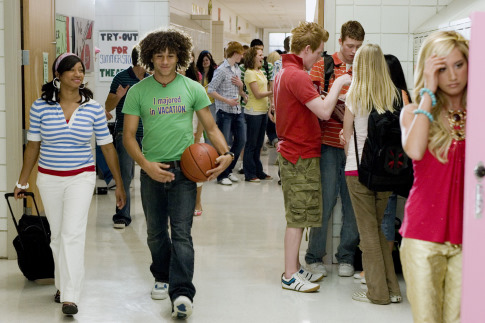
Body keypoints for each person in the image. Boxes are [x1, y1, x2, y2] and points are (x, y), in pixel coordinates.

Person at [122, 28, 233, 319]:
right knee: (156, 233)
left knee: (182, 233)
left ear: (180, 57)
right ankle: (161, 274)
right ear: (149, 57)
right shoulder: (138, 92)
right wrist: (146, 165)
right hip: (152, 171)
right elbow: (129, 136)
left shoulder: (192, 87)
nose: (165, 61)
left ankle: (182, 292)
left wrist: (227, 154)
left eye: (171, 55)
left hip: (184, 172)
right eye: (159, 55)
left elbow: (210, 128)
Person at [14, 53, 126, 315]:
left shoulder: (93, 108)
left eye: (81, 70)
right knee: (57, 236)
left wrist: (119, 183)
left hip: (81, 178)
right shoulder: (40, 106)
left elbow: (107, 147)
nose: (78, 75)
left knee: (73, 234)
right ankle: (63, 283)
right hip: (49, 178)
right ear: (58, 75)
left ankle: (70, 296)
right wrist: (21, 181)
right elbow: (33, 146)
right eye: (72, 70)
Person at [274, 21, 351, 293]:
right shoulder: (297, 76)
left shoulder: (286, 71)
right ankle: (289, 274)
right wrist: (340, 82)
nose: (320, 57)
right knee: (297, 217)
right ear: (306, 49)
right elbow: (323, 112)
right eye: (319, 52)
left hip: (296, 151)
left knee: (301, 213)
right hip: (299, 153)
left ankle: (294, 268)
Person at [399, 30, 468, 322]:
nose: (452, 75)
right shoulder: (414, 112)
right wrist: (427, 92)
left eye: (459, 65)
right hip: (422, 237)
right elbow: (414, 150)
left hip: (469, 238)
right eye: (441, 68)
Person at [341, 43, 402, 304]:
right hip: (386, 173)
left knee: (368, 234)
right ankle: (393, 290)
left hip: (358, 172)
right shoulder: (394, 95)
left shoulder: (355, 94)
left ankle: (377, 294)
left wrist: (350, 156)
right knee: (377, 230)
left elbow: (346, 136)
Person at [304, 20, 364, 278]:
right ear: (340, 42)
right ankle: (314, 255)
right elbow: (311, 100)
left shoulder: (364, 66)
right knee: (325, 201)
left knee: (353, 204)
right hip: (328, 144)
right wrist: (334, 106)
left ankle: (347, 256)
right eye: (350, 46)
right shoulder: (323, 65)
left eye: (358, 46)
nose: (354, 51)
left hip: (355, 147)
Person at [356, 54, 412, 283]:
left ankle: (378, 271)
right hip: (399, 164)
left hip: (382, 165)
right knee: (387, 217)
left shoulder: (381, 96)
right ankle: (385, 271)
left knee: (382, 218)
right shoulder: (404, 95)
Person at [105, 46, 148, 229]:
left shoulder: (151, 80)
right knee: (125, 176)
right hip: (125, 133)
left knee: (150, 175)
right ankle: (122, 215)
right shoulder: (120, 78)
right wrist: (119, 96)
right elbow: (108, 106)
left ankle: (154, 214)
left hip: (148, 134)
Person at [207, 41, 246, 186]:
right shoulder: (222, 70)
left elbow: (239, 91)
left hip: (237, 110)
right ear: (234, 53)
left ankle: (228, 169)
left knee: (241, 140)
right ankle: (221, 174)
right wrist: (226, 101)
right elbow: (211, 89)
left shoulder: (237, 69)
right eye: (240, 53)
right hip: (225, 112)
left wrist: (242, 89)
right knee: (224, 144)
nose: (242, 56)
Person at [243, 47, 273, 182]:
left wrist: (270, 104)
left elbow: (265, 90)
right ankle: (249, 174)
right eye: (260, 55)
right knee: (251, 144)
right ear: (253, 57)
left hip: (262, 111)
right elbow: (257, 94)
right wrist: (273, 92)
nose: (262, 57)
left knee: (259, 144)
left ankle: (259, 171)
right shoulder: (249, 73)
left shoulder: (260, 72)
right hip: (253, 112)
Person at [196, 50, 217, 143]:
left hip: (212, 104)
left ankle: (211, 149)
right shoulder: (198, 74)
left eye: (207, 60)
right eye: (203, 60)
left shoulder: (215, 73)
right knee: (201, 129)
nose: (205, 62)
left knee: (211, 128)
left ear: (210, 60)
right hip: (201, 105)